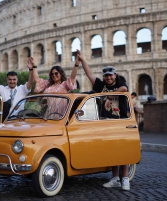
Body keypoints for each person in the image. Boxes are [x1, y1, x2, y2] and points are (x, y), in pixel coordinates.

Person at [78, 50, 130, 190]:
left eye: (110, 75)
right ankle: (115, 178)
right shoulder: (101, 86)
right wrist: (82, 60)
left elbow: (125, 89)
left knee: (123, 152)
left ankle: (125, 179)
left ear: (115, 75)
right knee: (112, 152)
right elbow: (89, 74)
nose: (108, 78)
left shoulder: (120, 84)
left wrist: (109, 93)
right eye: (106, 76)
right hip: (105, 122)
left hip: (121, 122)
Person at [27, 53, 78, 117]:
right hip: (47, 114)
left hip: (60, 115)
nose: (54, 75)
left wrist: (76, 64)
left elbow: (72, 77)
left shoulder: (64, 84)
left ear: (61, 73)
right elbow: (37, 79)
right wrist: (34, 66)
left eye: (56, 73)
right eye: (52, 74)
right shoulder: (48, 84)